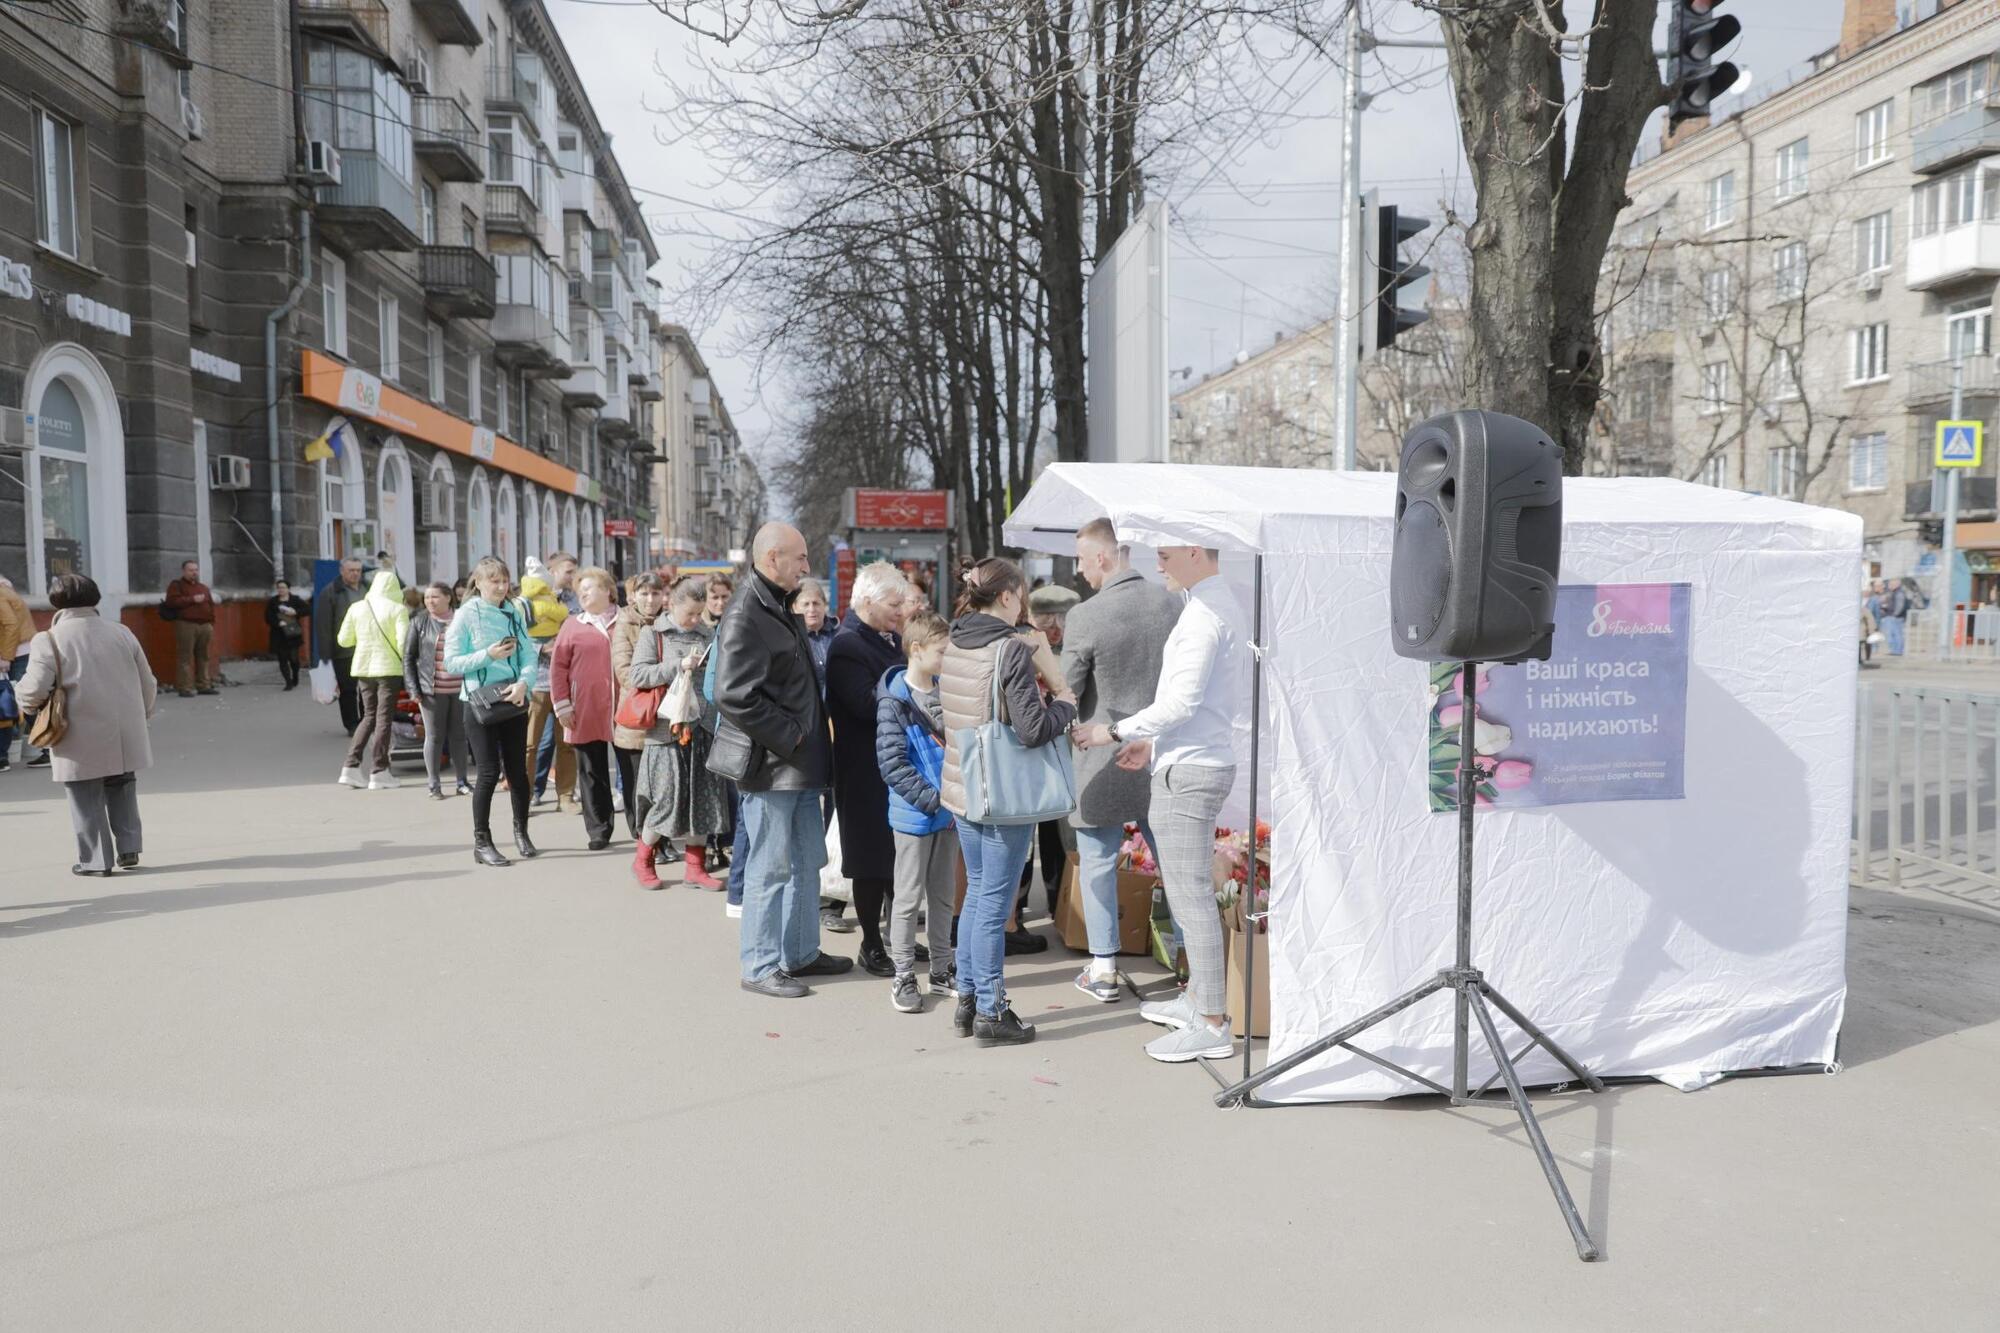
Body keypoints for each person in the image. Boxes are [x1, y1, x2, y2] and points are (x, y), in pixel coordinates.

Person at [1075, 545, 1249, 1064]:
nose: (1158, 564)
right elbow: (1195, 703)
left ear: (1196, 553)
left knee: (1190, 895)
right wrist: (1150, 742)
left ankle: (1212, 1021)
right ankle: (1201, 1002)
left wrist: (1113, 730)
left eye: (1167, 555)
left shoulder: (1204, 614)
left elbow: (1183, 701)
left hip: (1191, 770)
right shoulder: (1212, 605)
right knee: (1187, 891)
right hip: (1192, 759)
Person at [937, 556, 1077, 1046]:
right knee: (994, 902)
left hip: (964, 784)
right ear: (1006, 597)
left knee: (978, 893)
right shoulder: (1009, 651)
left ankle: (970, 1000)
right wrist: (1065, 705)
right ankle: (992, 1010)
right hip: (1001, 792)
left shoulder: (955, 640)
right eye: (1020, 594)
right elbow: (1033, 728)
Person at [715, 523, 851, 998]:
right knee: (770, 869)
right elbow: (731, 694)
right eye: (800, 557)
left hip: (799, 765)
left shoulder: (774, 603)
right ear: (773, 558)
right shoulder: (747, 613)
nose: (807, 566)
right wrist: (792, 737)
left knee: (806, 862)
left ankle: (799, 953)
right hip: (774, 768)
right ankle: (759, 966)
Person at [1061, 517, 1181, 1002]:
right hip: (1162, 752)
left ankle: (1104, 968)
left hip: (1103, 754)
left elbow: (1067, 687)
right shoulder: (1172, 603)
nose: (1079, 569)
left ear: (1104, 558)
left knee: (1098, 862)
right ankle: (1190, 962)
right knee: (1174, 861)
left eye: (1082, 560)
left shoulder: (1085, 616)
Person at [15, 573, 157, 875]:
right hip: (123, 727)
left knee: (84, 792)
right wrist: (142, 713)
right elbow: (148, 681)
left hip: (78, 729)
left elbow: (34, 689)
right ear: (95, 598)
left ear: (56, 602)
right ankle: (129, 848)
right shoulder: (122, 632)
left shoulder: (49, 639)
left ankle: (95, 861)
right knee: (122, 784)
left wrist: (21, 698)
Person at [825, 562, 911, 976]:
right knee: (870, 861)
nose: (901, 611)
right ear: (866, 602)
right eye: (894, 604)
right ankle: (871, 944)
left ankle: (899, 939)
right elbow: (864, 703)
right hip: (863, 766)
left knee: (895, 857)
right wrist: (911, 685)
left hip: (893, 763)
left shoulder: (889, 638)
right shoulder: (847, 644)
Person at [875, 609, 958, 1011]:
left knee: (943, 897)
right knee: (907, 900)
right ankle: (904, 975)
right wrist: (934, 799)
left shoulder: (948, 690)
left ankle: (942, 970)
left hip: (949, 814)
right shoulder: (894, 701)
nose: (947, 659)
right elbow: (892, 764)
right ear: (917, 649)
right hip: (914, 816)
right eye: (942, 652)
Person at [628, 578, 729, 889]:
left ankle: (695, 868)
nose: (696, 619)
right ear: (673, 606)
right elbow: (638, 674)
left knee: (704, 798)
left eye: (700, 613)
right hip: (666, 731)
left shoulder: (707, 634)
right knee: (665, 799)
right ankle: (643, 859)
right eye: (691, 613)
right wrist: (677, 665)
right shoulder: (653, 634)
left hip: (702, 728)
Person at [446, 556, 539, 866]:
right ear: (479, 583)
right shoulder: (465, 615)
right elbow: (452, 663)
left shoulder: (514, 611)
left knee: (518, 771)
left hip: (513, 696)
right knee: (487, 773)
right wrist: (489, 654)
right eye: (493, 581)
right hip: (479, 702)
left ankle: (521, 832)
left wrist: (524, 683)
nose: (500, 587)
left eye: (504, 581)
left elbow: (528, 653)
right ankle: (482, 842)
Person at [550, 566, 623, 851]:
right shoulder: (572, 624)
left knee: (631, 770)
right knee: (591, 771)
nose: (584, 593)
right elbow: (558, 668)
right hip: (584, 706)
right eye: (580, 590)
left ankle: (641, 827)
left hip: (622, 706)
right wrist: (562, 704)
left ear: (608, 591)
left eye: (590, 587)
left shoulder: (625, 619)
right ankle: (598, 829)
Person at [334, 568, 410, 790]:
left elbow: (344, 640)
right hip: (389, 670)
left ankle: (350, 767)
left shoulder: (357, 607)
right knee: (383, 718)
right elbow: (403, 642)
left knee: (368, 716)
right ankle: (379, 770)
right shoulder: (397, 609)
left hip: (363, 668)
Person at [611, 573, 668, 841]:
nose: (650, 599)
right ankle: (642, 838)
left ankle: (662, 837)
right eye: (644, 593)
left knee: (664, 784)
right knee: (636, 784)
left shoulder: (669, 622)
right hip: (636, 717)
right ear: (633, 595)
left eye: (655, 593)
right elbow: (627, 673)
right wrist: (664, 677)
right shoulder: (624, 623)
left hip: (667, 715)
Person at [404, 582, 470, 799]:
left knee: (459, 736)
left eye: (435, 597)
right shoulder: (419, 621)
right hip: (431, 690)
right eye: (427, 598)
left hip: (461, 689)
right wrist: (414, 689)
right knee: (434, 737)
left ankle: (462, 781)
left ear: (448, 598)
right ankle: (434, 784)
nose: (430, 601)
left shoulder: (462, 618)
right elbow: (409, 658)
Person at [519, 563, 576, 811]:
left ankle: (565, 795)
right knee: (530, 744)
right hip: (536, 683)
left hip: (564, 682)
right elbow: (515, 639)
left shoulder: (568, 602)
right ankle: (526, 794)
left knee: (567, 742)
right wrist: (541, 647)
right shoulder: (521, 605)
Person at [314, 558, 367, 732]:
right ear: (342, 571)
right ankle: (352, 724)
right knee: (348, 689)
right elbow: (324, 625)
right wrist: (325, 654)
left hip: (368, 647)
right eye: (351, 570)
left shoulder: (368, 588)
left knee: (368, 688)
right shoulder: (330, 592)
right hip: (344, 649)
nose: (355, 574)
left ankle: (367, 721)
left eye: (358, 570)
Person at [0, 573, 40, 770]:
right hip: (22, 650)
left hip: (17, 653)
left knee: (23, 700)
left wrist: (6, 657)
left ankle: (51, 746)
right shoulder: (5, 588)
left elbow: (10, 625)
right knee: (25, 699)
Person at [164, 559, 218, 697]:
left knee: (204, 656)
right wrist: (192, 599)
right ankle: (185, 687)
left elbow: (211, 605)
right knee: (185, 656)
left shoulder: (203, 587)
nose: (194, 572)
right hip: (186, 624)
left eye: (196, 570)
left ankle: (203, 684)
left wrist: (211, 622)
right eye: (191, 570)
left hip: (205, 625)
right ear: (184, 571)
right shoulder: (176, 586)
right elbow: (171, 602)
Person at [265, 578, 310, 691]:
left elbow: (307, 609)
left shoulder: (295, 600)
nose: (281, 590)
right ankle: (288, 682)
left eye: (283, 587)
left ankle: (295, 675)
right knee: (282, 659)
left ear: (288, 589)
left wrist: (295, 612)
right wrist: (278, 622)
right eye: (279, 588)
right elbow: (267, 616)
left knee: (294, 659)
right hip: (279, 634)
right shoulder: (273, 601)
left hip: (292, 633)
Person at [1880, 578, 1911, 656]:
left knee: (1897, 634)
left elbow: (1900, 606)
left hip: (1895, 617)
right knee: (1892, 634)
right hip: (1891, 616)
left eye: (1890, 584)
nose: (1888, 586)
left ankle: (1897, 651)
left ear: (1896, 584)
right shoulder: (1894, 593)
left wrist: (1895, 615)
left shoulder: (1899, 593)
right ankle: (1894, 650)